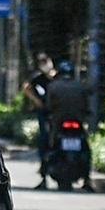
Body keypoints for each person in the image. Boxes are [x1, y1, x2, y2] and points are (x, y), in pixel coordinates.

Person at [40, 60, 89, 190]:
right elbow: (86, 106)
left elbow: (48, 106)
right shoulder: (80, 86)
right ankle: (87, 180)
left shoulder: (53, 86)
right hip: (77, 123)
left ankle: (43, 177)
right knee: (86, 149)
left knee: (46, 145)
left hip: (59, 124)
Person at [22, 53, 55, 162]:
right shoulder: (37, 78)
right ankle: (43, 159)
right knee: (44, 134)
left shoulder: (56, 77)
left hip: (56, 109)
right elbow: (26, 87)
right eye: (42, 63)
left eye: (46, 62)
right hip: (43, 109)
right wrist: (36, 100)